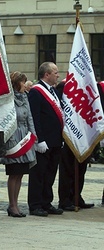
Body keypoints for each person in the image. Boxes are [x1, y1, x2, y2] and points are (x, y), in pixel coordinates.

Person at [27, 62, 64, 217]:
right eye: (55, 72)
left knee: (50, 173)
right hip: (43, 141)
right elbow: (34, 117)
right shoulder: (36, 91)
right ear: (46, 74)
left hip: (55, 139)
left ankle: (46, 202)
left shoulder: (53, 91)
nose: (58, 75)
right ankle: (35, 205)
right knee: (38, 174)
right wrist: (39, 139)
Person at [0, 71, 37, 217]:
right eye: (22, 81)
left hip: (24, 136)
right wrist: (8, 139)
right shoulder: (8, 99)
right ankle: (12, 205)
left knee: (21, 173)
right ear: (16, 83)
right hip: (13, 137)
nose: (25, 84)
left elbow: (30, 118)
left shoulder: (25, 97)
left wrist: (33, 135)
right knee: (14, 173)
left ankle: (16, 203)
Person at [56, 81, 94, 211]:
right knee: (67, 169)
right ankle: (65, 199)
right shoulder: (64, 86)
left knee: (81, 169)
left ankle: (77, 196)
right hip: (68, 135)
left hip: (82, 135)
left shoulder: (88, 88)